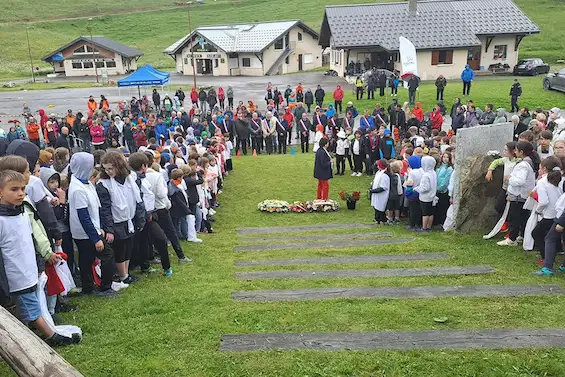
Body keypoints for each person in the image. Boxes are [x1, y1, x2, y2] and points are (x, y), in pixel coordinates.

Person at [0, 169, 80, 346]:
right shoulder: (2, 220)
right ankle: (51, 336)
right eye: (14, 189)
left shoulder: (22, 213)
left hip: (29, 270)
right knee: (30, 309)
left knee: (29, 308)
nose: (20, 193)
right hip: (15, 276)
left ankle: (28, 340)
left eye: (23, 189)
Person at [97, 151, 145, 285]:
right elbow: (105, 209)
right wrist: (110, 229)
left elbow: (138, 199)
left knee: (129, 246)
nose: (108, 172)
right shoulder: (104, 184)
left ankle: (126, 273)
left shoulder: (131, 178)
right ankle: (122, 275)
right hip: (117, 220)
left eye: (111, 168)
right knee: (120, 249)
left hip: (129, 218)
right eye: (106, 169)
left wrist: (140, 218)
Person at [497, 141, 539, 246]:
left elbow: (519, 181)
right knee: (523, 217)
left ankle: (512, 238)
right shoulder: (529, 162)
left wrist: (510, 178)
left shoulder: (523, 165)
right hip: (523, 195)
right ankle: (522, 236)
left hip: (518, 196)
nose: (515, 152)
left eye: (516, 150)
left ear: (521, 151)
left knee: (514, 218)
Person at [531, 156, 563, 270]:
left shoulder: (542, 182)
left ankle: (547, 258)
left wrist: (538, 210)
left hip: (549, 214)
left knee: (537, 233)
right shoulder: (562, 179)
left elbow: (543, 201)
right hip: (560, 213)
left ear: (544, 169)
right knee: (554, 236)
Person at [486, 142, 518, 230]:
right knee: (498, 205)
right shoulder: (505, 159)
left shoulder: (518, 162)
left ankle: (511, 228)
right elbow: (496, 162)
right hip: (505, 187)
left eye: (506, 150)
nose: (504, 152)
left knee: (511, 209)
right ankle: (505, 221)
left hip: (513, 189)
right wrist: (490, 170)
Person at [434, 151, 453, 226]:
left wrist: (439, 188)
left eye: (447, 157)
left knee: (443, 207)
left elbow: (446, 181)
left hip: (443, 191)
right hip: (436, 190)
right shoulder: (439, 166)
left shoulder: (449, 169)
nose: (445, 159)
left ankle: (442, 222)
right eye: (444, 157)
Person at [405, 155, 423, 230]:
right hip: (420, 192)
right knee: (419, 209)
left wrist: (407, 192)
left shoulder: (412, 172)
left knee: (412, 209)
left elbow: (410, 183)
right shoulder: (422, 170)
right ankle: (418, 223)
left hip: (413, 192)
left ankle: (411, 224)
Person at [370, 159, 390, 224]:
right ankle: (377, 219)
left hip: (382, 194)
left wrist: (374, 191)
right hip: (377, 194)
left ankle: (382, 220)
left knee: (380, 207)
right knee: (376, 206)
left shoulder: (385, 175)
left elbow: (383, 187)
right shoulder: (379, 172)